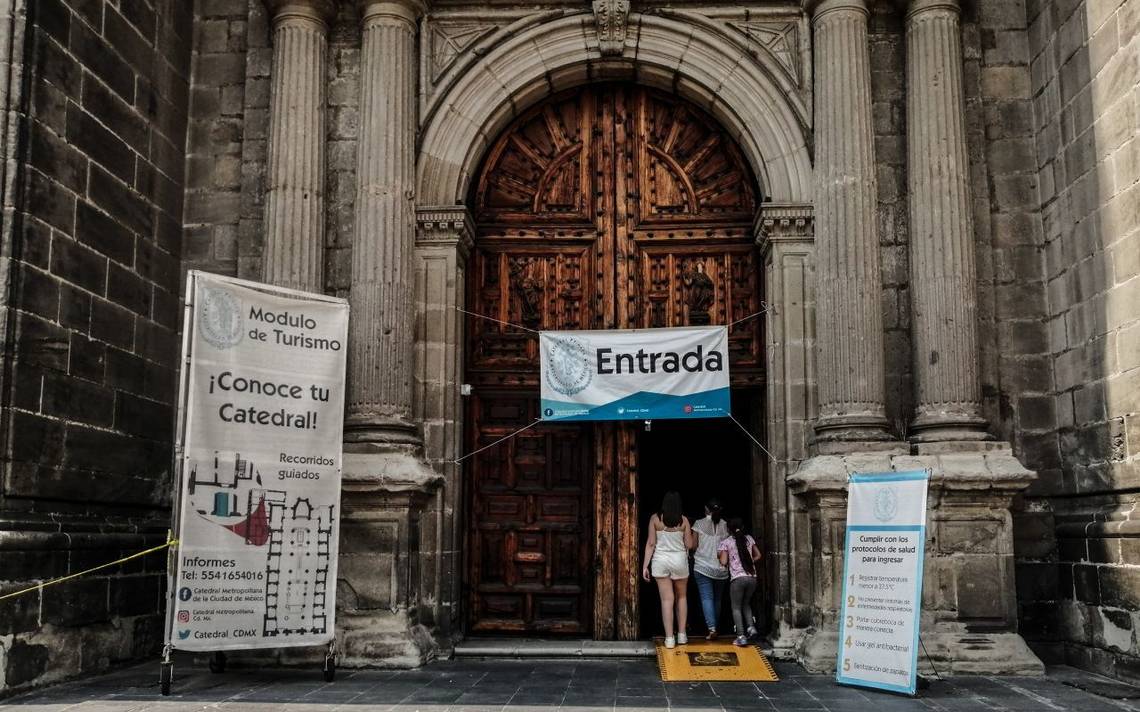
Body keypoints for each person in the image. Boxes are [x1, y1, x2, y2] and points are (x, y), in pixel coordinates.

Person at [642, 491, 694, 648]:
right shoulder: (684, 520)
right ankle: (682, 635)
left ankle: (669, 638)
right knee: (682, 597)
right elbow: (690, 545)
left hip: (660, 560)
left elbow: (651, 544)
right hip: (679, 560)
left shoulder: (655, 519)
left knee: (667, 600)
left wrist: (645, 565)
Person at [717, 518, 761, 646]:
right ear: (742, 527)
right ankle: (751, 628)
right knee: (746, 603)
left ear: (728, 530)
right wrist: (748, 562)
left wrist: (720, 556)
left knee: (736, 607)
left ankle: (741, 636)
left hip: (737, 579)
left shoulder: (726, 543)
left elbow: (724, 562)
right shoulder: (749, 539)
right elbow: (758, 555)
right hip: (752, 577)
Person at [690, 498, 730, 639]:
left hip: (702, 566)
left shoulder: (698, 524)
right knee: (717, 599)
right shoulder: (725, 524)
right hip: (721, 568)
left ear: (706, 509)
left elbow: (693, 546)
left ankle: (712, 629)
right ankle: (715, 626)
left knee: (707, 598)